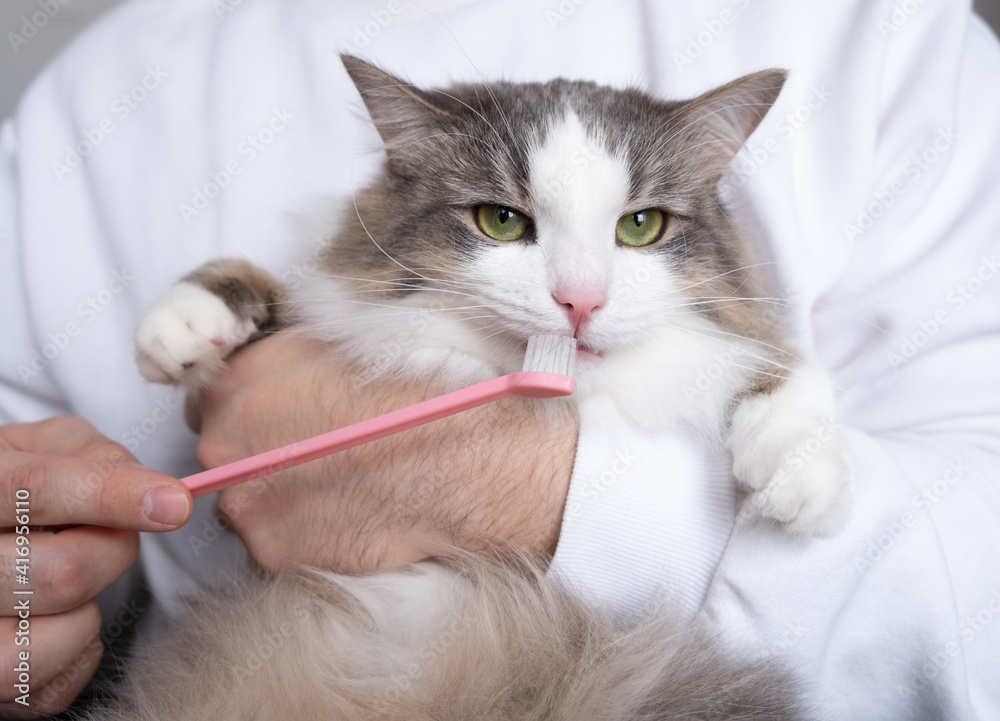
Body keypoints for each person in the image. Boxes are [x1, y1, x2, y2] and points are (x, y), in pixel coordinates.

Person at [1, 0, 998, 718]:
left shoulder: (895, 31)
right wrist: (22, 622)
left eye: (641, 222)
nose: (577, 291)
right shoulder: (114, 75)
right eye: (501, 217)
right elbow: (30, 513)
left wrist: (561, 496)